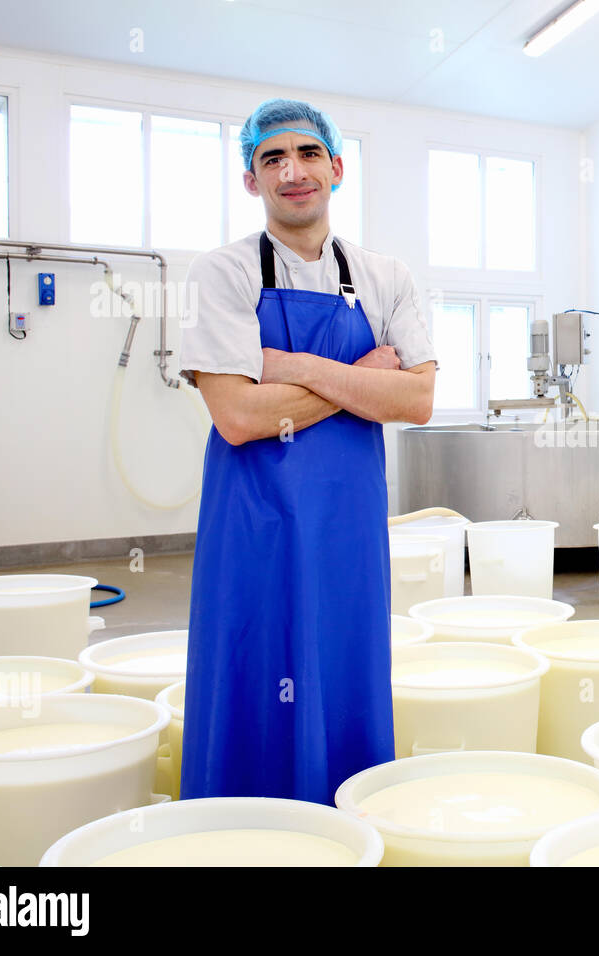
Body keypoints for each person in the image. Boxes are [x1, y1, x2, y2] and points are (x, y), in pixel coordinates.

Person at [177, 98, 436, 804]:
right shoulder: (222, 275)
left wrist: (290, 366)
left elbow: (415, 401)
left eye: (307, 154)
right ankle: (247, 821)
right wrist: (365, 378)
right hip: (252, 518)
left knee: (343, 659)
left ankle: (342, 816)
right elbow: (235, 416)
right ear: (251, 181)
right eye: (272, 158)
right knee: (256, 655)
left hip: (347, 520)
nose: (292, 171)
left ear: (337, 168)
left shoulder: (386, 277)